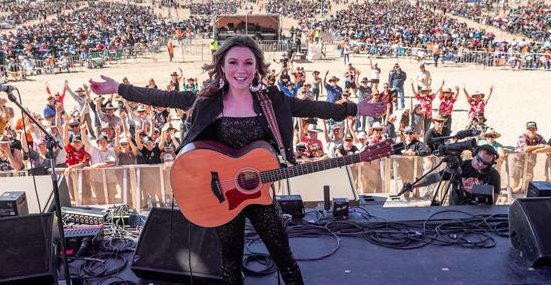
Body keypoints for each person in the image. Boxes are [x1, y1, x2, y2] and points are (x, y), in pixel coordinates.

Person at [89, 35, 381, 285]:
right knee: (229, 264)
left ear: (257, 67)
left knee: (285, 259)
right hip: (221, 196)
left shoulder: (271, 100)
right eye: (233, 62)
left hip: (260, 193)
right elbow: (162, 97)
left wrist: (356, 109)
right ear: (221, 66)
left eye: (248, 63)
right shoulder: (207, 99)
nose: (241, 70)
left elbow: (316, 107)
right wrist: (118, 88)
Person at [406, 144, 501, 205]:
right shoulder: (461, 166)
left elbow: (494, 200)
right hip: (456, 208)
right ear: (475, 155)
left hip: (478, 214)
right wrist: (413, 185)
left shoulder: (494, 175)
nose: (480, 164)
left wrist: (479, 195)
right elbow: (435, 177)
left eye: (485, 163)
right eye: (479, 160)